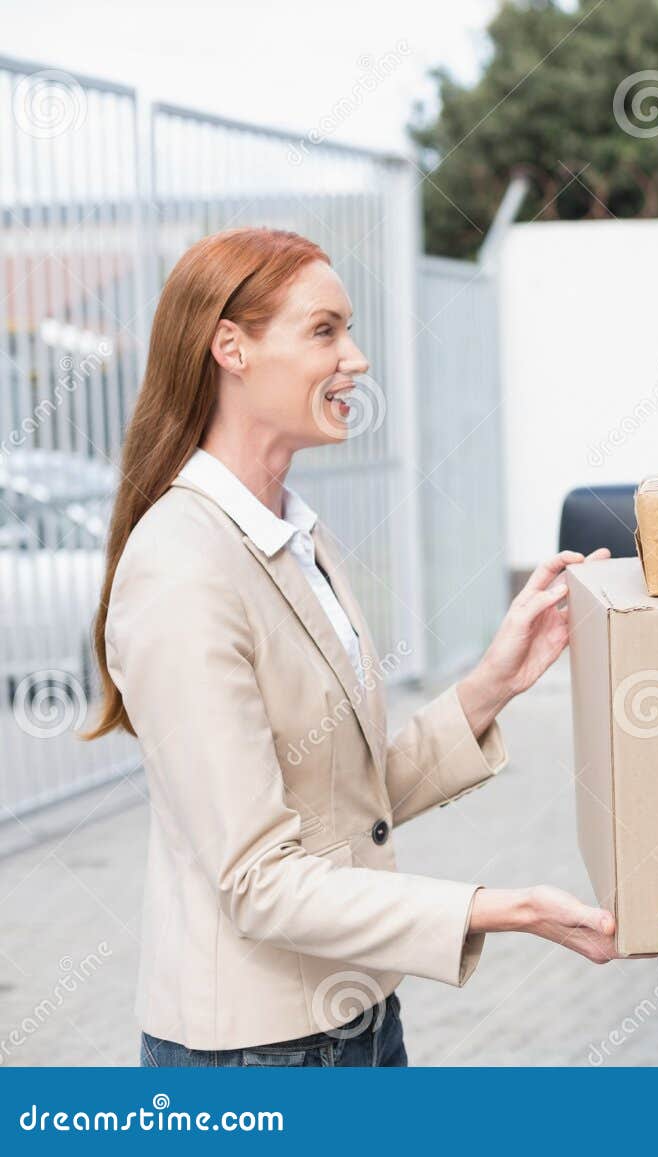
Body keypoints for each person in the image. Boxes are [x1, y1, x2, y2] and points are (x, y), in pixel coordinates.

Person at [84, 227, 616, 1067]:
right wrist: (492, 908)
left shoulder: (297, 534)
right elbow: (260, 878)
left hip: (360, 1027)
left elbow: (338, 808)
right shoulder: (182, 567)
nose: (357, 358)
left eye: (351, 328)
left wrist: (491, 684)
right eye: (325, 330)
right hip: (256, 1057)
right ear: (233, 348)